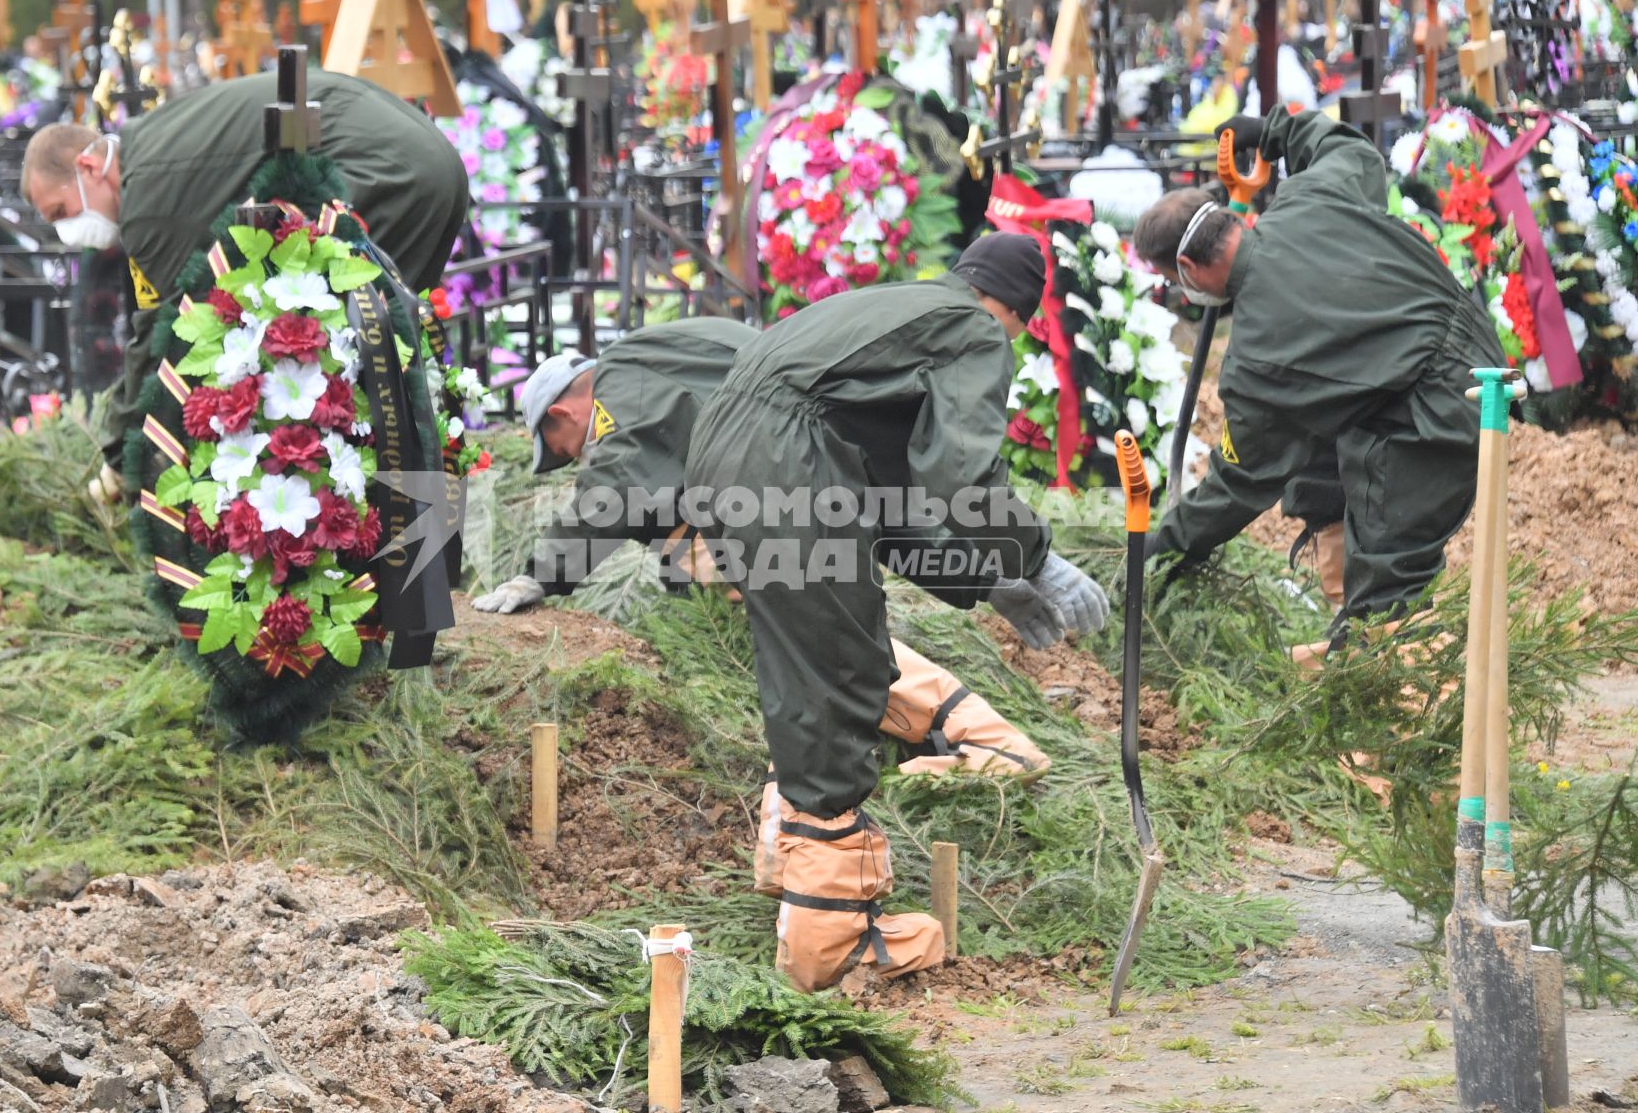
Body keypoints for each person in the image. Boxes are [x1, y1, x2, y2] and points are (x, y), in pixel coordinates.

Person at [682, 234, 1111, 992]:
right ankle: (831, 941)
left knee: (805, 657)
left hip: (726, 458)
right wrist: (1036, 553)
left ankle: (793, 874)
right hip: (787, 460)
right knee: (844, 668)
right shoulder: (971, 327)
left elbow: (896, 501)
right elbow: (961, 475)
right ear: (1010, 310)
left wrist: (987, 579)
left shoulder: (891, 314)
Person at [475, 319, 1054, 785]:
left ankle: (980, 737)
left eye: (561, 449)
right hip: (798, 463)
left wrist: (539, 577)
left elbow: (613, 486)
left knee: (817, 633)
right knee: (764, 591)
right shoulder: (658, 358)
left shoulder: (620, 390)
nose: (573, 457)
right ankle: (921, 723)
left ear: (563, 413)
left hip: (784, 482)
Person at [1131, 108, 1503, 639]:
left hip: (1434, 412)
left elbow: (1238, 484)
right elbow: (1347, 148)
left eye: (1173, 282)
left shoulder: (1257, 360)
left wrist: (1159, 545)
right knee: (1314, 453)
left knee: (1386, 593)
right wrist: (1273, 130)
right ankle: (1341, 574)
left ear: (1187, 271)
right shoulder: (1312, 196)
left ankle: (1395, 672)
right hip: (1464, 347)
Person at [21, 70, 469, 486]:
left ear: (87, 167)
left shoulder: (147, 199)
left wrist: (121, 454)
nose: (69, 231)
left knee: (368, 355)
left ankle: (377, 516)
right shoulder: (148, 144)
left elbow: (163, 333)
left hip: (393, 171)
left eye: (61, 212)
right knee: (381, 350)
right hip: (424, 158)